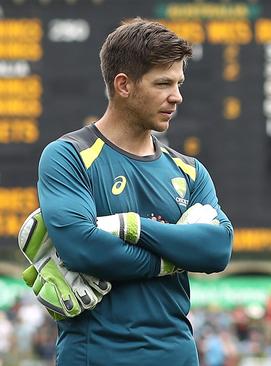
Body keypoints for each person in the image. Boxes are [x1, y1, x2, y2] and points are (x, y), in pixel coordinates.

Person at [32, 18, 233, 365]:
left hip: (178, 356)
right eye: (163, 83)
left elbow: (217, 250)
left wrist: (130, 227)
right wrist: (177, 252)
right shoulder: (68, 156)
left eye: (179, 83)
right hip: (95, 357)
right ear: (123, 85)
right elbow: (83, 250)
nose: (177, 96)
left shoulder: (189, 171)